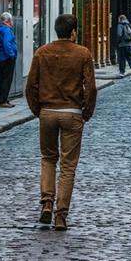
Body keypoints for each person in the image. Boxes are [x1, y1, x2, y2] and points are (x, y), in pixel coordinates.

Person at [26, 14, 98, 231]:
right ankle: (61, 215)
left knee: (48, 159)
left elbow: (31, 85)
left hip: (47, 112)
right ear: (73, 32)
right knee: (68, 166)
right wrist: (86, 112)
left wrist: (37, 110)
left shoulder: (42, 52)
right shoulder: (82, 53)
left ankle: (46, 203)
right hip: (72, 113)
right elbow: (91, 88)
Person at [0, 12, 18, 108]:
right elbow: (6, 43)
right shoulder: (7, 30)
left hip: (1, 57)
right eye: (11, 19)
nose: (12, 21)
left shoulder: (1, 29)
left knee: (3, 79)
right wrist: (11, 55)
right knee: (7, 80)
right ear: (8, 20)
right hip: (7, 58)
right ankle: (3, 100)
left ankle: (3, 99)